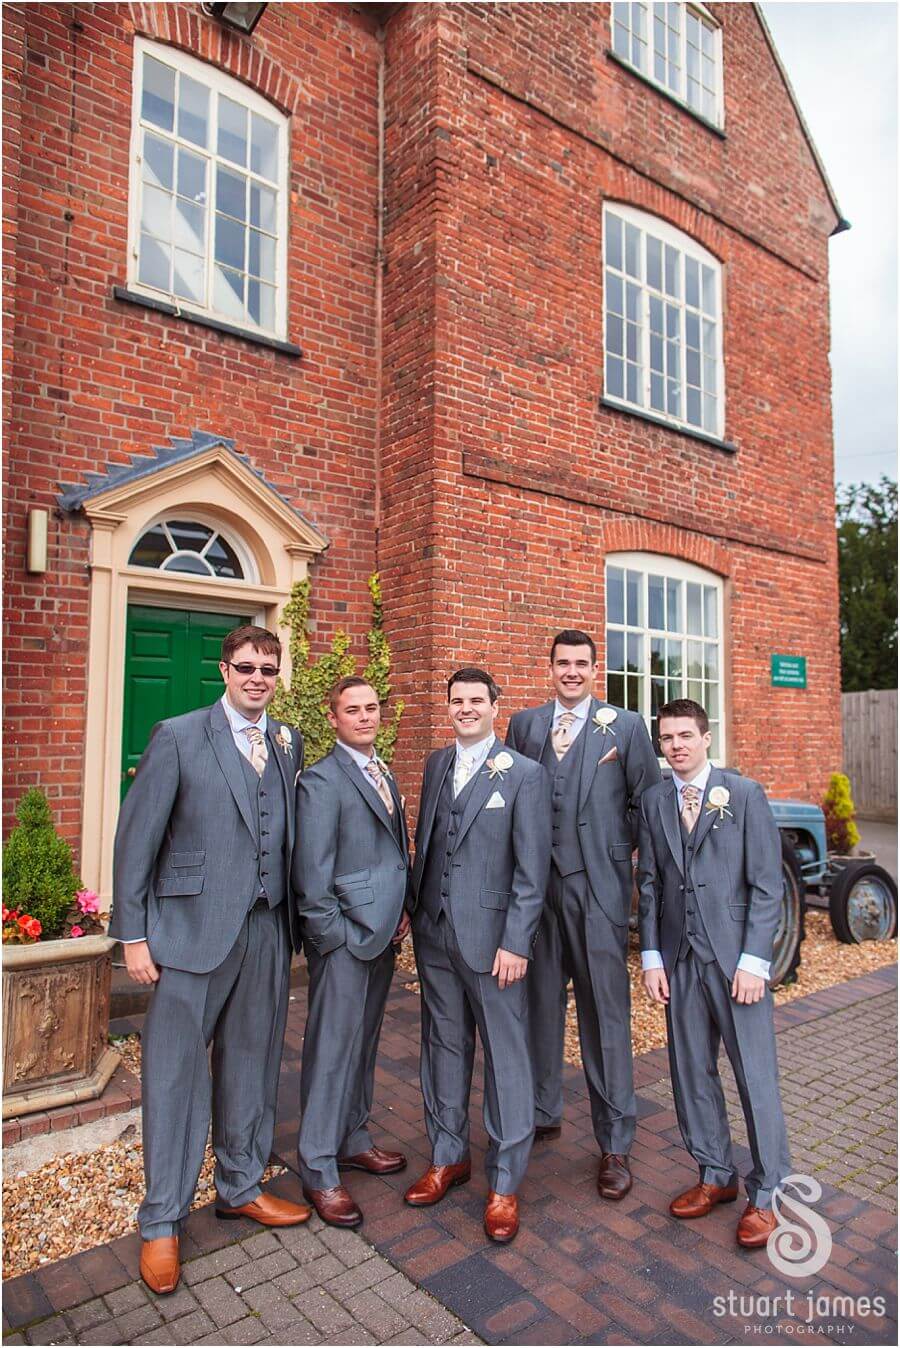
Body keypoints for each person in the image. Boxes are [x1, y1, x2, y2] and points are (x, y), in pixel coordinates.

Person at [110, 625, 310, 1297]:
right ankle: (162, 1220)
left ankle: (240, 1184)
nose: (258, 677)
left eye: (268, 668)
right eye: (247, 666)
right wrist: (134, 936)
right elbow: (136, 838)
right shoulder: (178, 735)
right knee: (174, 1076)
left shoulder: (287, 741)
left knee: (251, 1066)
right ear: (224, 670)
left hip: (264, 928)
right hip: (190, 932)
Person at [506, 629, 660, 1198]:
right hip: (535, 892)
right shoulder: (524, 726)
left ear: (596, 669)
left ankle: (615, 1142)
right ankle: (544, 1109)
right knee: (538, 1005)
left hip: (598, 889)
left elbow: (648, 805)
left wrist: (639, 886)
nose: (571, 671)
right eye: (562, 663)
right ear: (548, 669)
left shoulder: (625, 727)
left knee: (605, 1015)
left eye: (581, 664)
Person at [404, 668, 551, 1243]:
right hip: (436, 932)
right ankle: (447, 1155)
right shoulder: (438, 763)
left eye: (475, 701)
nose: (465, 709)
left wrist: (517, 940)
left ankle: (505, 1182)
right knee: (442, 1043)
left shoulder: (525, 775)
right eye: (456, 701)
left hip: (494, 942)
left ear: (496, 707)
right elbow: (430, 839)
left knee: (505, 1055)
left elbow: (532, 870)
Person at [638, 698, 791, 1248]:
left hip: (735, 964)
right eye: (667, 738)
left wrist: (755, 960)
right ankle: (715, 1173)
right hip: (680, 961)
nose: (676, 745)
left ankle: (767, 1191)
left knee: (755, 1078)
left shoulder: (743, 794)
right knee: (690, 1072)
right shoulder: (656, 800)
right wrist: (651, 955)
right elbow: (652, 884)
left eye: (685, 735)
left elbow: (767, 885)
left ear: (706, 737)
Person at [293, 677, 410, 1229]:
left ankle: (353, 1137)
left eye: (371, 708)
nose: (364, 717)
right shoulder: (321, 780)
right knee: (331, 1048)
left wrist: (402, 908)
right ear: (334, 718)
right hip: (345, 938)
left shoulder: (381, 770)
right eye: (352, 710)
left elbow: (391, 850)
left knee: (362, 1044)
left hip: (383, 933)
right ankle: (317, 1166)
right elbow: (312, 877)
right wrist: (333, 937)